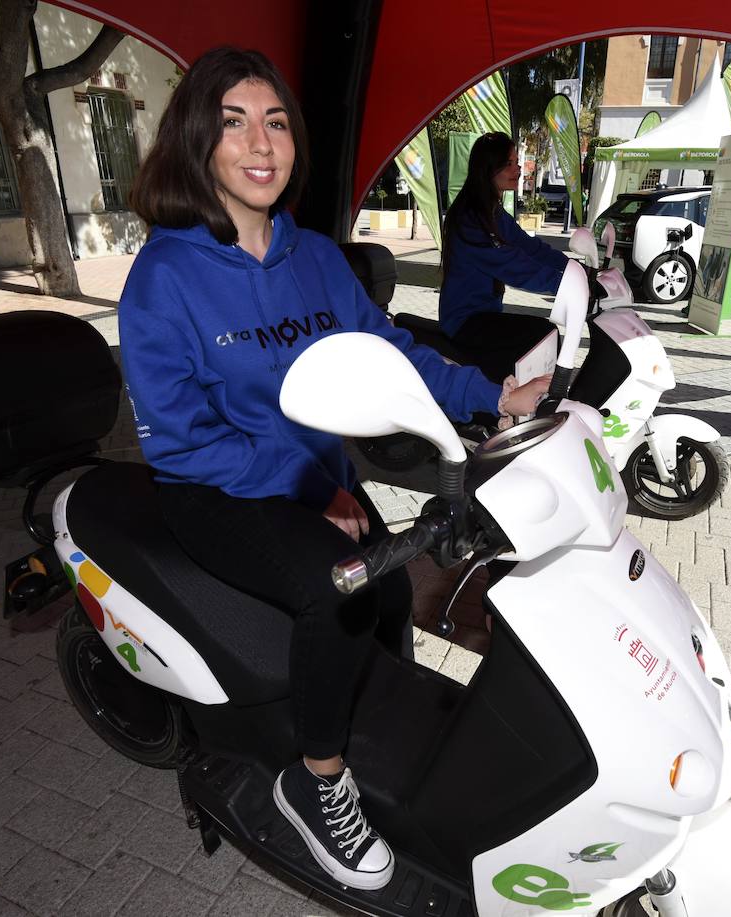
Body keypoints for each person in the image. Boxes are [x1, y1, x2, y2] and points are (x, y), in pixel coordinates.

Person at [117, 48, 547, 891]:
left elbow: (387, 351)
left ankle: (375, 718)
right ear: (197, 141)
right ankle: (314, 786)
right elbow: (181, 440)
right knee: (342, 588)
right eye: (234, 122)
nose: (261, 142)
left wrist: (494, 394)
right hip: (215, 490)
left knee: (391, 585)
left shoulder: (314, 256)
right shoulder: (163, 278)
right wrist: (316, 488)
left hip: (314, 482)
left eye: (275, 121)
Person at [439, 132, 571, 383]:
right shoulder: (471, 217)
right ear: (490, 168)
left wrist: (577, 270)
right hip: (465, 322)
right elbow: (513, 265)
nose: (518, 168)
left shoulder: (492, 211)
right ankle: (521, 408)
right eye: (509, 163)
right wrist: (565, 284)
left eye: (517, 162)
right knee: (544, 334)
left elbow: (530, 248)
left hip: (483, 316)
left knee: (543, 335)